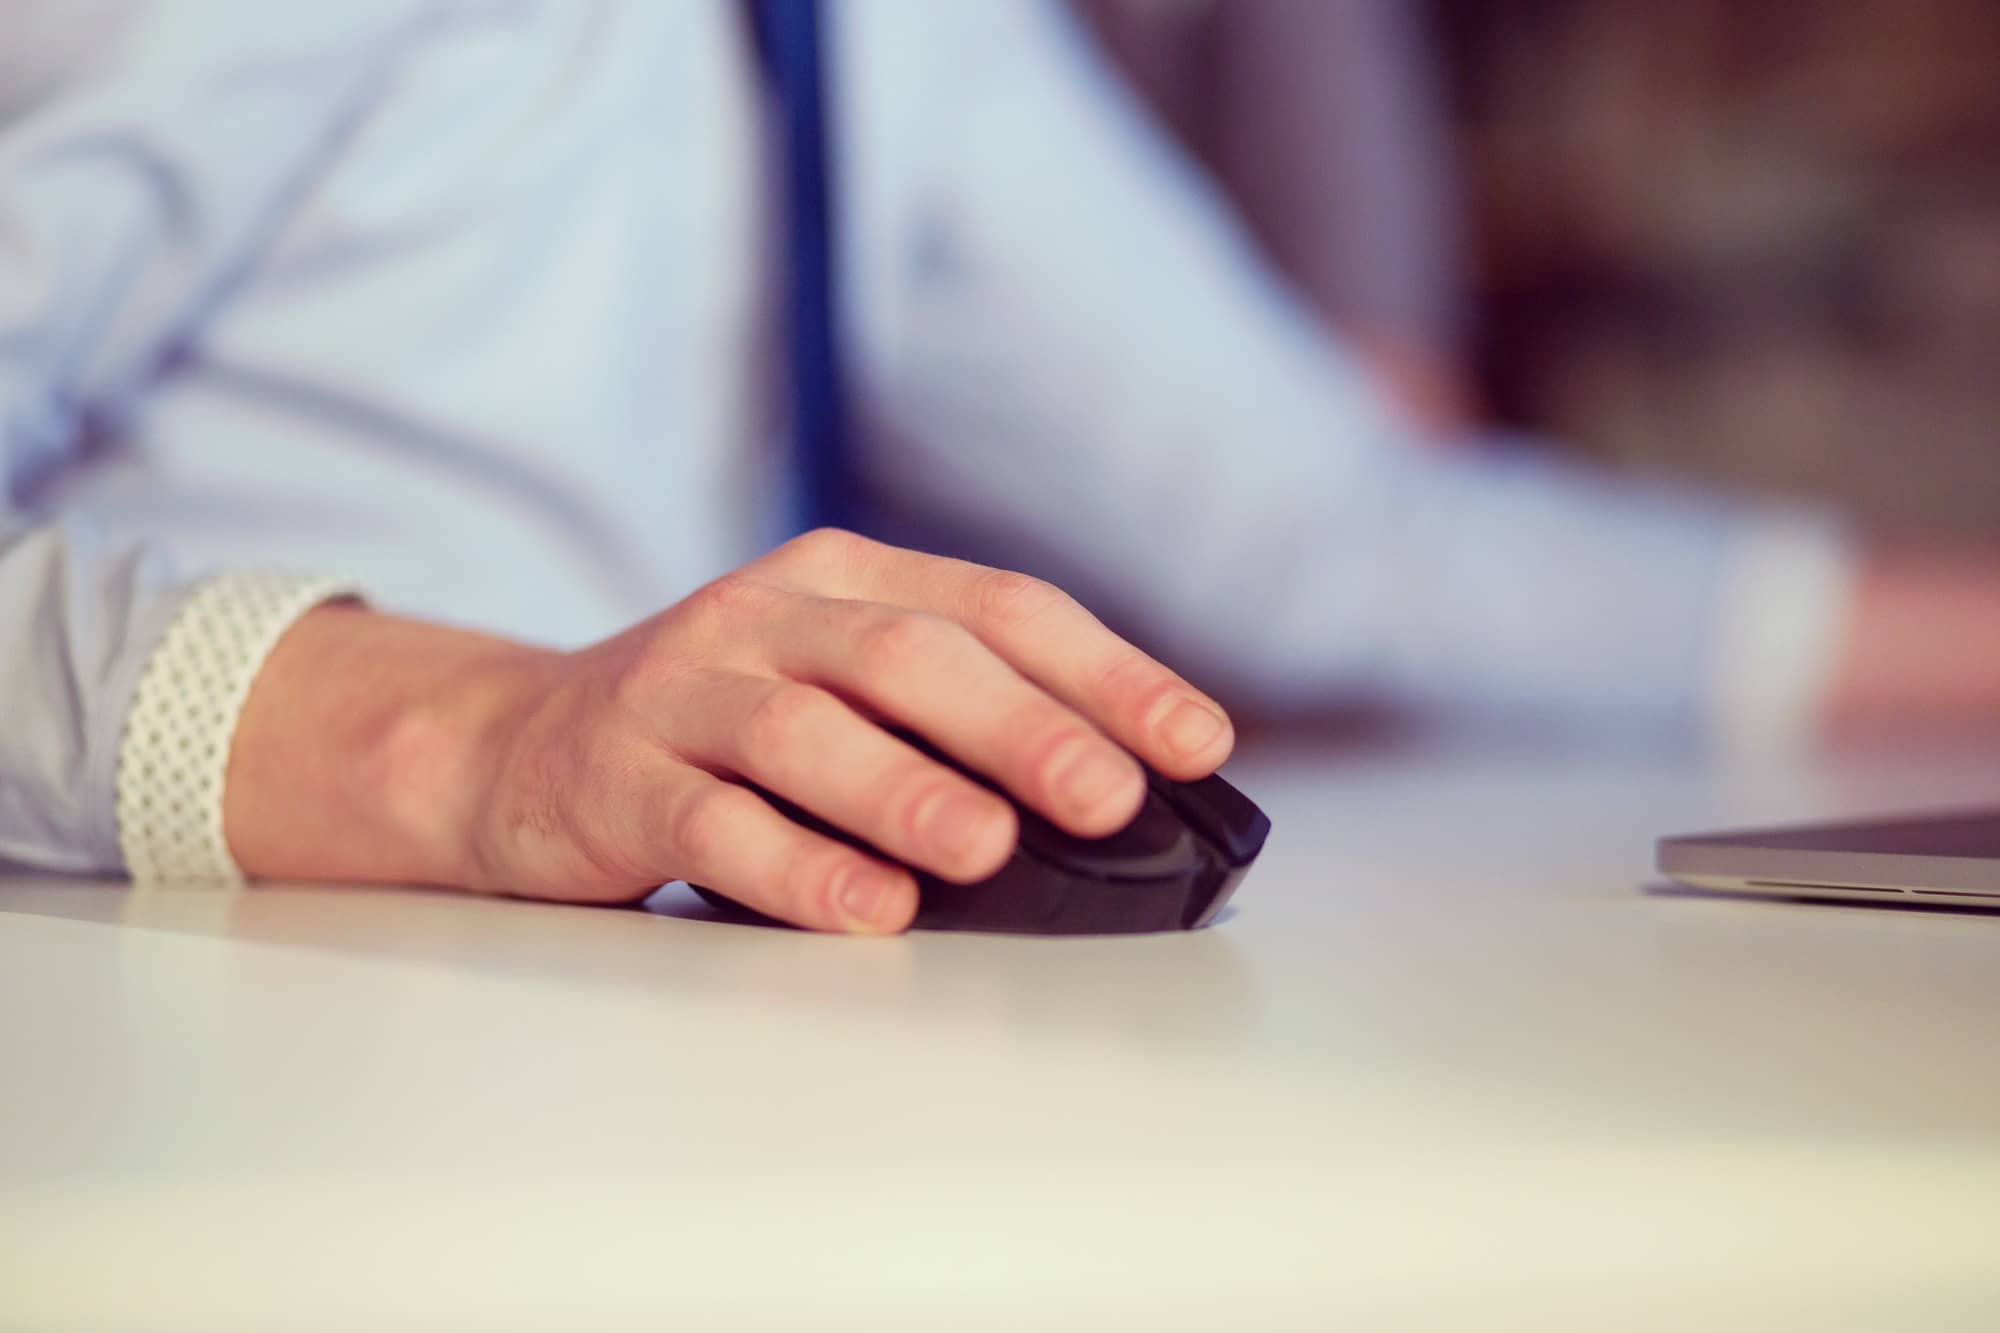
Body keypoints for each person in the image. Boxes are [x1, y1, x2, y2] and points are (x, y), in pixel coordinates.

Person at [3, 0, 1996, 934]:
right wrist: (461, 744)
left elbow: (1320, 524)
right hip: (209, 1009)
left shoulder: (897, 28)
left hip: (677, 1028)